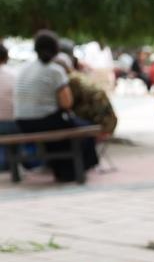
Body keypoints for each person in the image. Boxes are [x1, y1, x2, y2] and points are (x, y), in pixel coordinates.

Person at [13, 30, 99, 181]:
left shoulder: (24, 69)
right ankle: (79, 170)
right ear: (56, 50)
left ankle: (63, 170)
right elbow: (67, 103)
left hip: (22, 122)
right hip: (45, 122)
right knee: (84, 127)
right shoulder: (55, 70)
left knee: (61, 127)